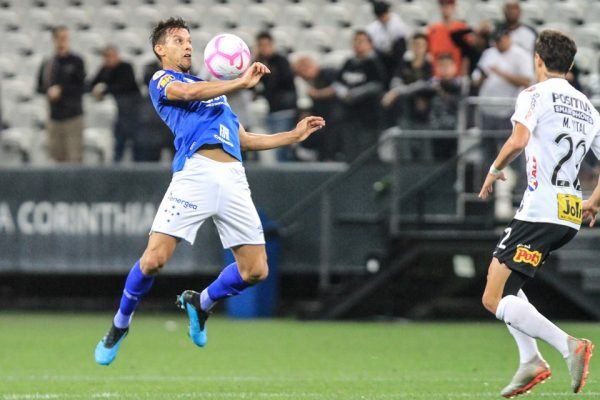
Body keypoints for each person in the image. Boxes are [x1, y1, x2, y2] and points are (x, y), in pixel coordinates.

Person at [94, 17, 325, 366]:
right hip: (195, 174)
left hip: (233, 176)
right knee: (154, 260)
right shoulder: (164, 80)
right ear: (161, 49)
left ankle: (200, 303)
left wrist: (292, 135)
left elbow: (243, 138)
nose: (187, 45)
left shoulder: (215, 96)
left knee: (256, 270)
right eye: (177, 40)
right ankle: (120, 324)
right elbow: (187, 93)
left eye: (189, 39)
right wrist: (237, 82)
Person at [478, 30, 595, 398]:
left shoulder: (534, 94)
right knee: (504, 279)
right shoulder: (588, 108)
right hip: (569, 212)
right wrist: (594, 199)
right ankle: (530, 360)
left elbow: (518, 140)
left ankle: (568, 346)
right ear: (571, 65)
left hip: (540, 209)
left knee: (492, 298)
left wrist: (495, 169)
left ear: (538, 61)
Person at [36, 25, 85, 163]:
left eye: (65, 38)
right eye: (59, 38)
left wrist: (61, 90)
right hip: (54, 117)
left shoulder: (76, 61)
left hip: (73, 117)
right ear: (54, 40)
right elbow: (39, 87)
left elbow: (82, 86)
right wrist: (49, 91)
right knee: (55, 159)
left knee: (74, 159)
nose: (62, 41)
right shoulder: (48, 63)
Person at [90, 45, 141, 162]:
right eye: (106, 57)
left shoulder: (126, 67)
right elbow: (91, 83)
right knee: (118, 143)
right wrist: (97, 90)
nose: (108, 59)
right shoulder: (105, 69)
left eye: (111, 56)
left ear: (117, 56)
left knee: (133, 142)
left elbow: (125, 86)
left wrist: (104, 90)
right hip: (117, 113)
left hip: (131, 110)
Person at [253, 31, 298, 161]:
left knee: (280, 148)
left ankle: (282, 179)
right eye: (261, 45)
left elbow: (283, 81)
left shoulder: (280, 61)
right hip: (269, 110)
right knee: (271, 149)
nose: (264, 48)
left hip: (283, 109)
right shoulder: (259, 63)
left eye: (266, 45)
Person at [366, 0, 409, 83]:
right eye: (380, 17)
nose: (382, 19)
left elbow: (402, 45)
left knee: (399, 46)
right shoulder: (372, 28)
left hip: (396, 54)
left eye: (384, 15)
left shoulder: (398, 24)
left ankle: (397, 77)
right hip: (382, 56)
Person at [426, 0, 468, 77]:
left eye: (449, 4)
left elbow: (467, 54)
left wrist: (463, 74)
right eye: (443, 4)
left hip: (456, 75)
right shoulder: (432, 29)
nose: (446, 7)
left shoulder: (461, 28)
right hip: (437, 76)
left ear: (454, 7)